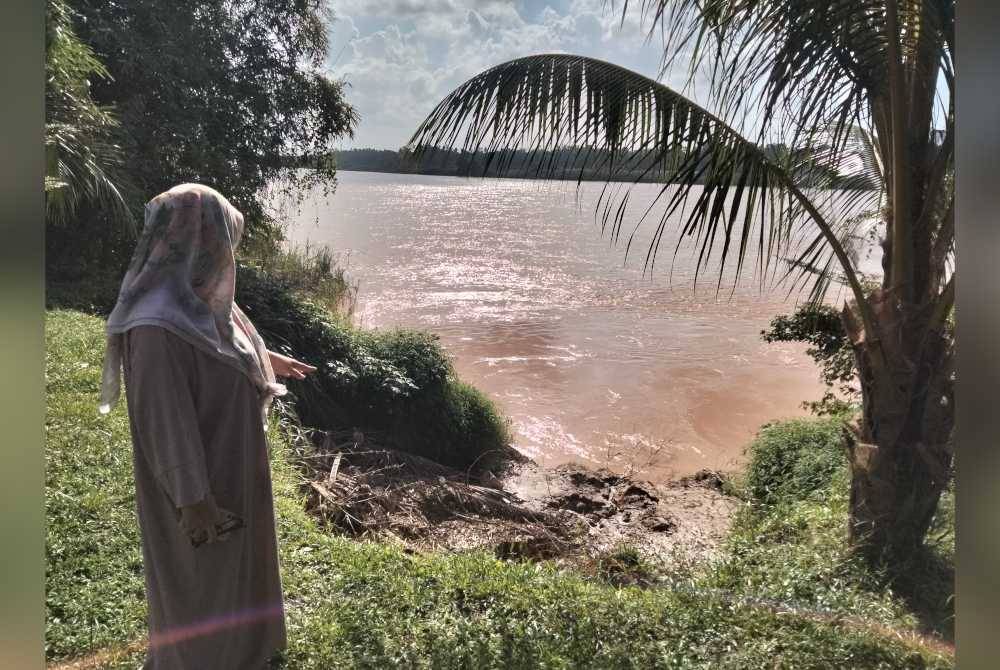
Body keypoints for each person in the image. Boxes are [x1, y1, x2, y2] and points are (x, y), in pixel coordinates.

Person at [98, 183, 317, 669]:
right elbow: (163, 423)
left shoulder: (196, 298)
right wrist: (194, 502)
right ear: (199, 238)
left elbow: (223, 341)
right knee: (201, 579)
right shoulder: (154, 326)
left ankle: (248, 650)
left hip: (230, 463)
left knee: (236, 570)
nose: (227, 251)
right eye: (222, 238)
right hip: (199, 484)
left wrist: (269, 359)